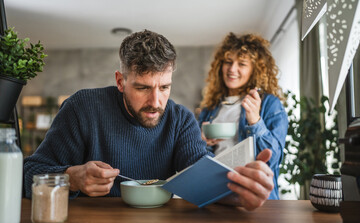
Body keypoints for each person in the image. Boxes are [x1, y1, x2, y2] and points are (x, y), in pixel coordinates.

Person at [24, 30, 274, 211]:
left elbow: (202, 181)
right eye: (143, 88)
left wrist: (241, 192)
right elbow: (28, 174)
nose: (156, 101)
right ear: (121, 82)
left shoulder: (181, 120)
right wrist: (72, 177)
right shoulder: (82, 108)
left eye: (164, 87)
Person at [198, 33, 288, 200]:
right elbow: (198, 161)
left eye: (242, 64)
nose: (232, 69)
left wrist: (255, 120)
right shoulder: (209, 108)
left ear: (255, 69)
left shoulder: (269, 104)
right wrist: (202, 144)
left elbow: (272, 160)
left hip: (253, 196)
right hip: (217, 195)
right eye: (228, 62)